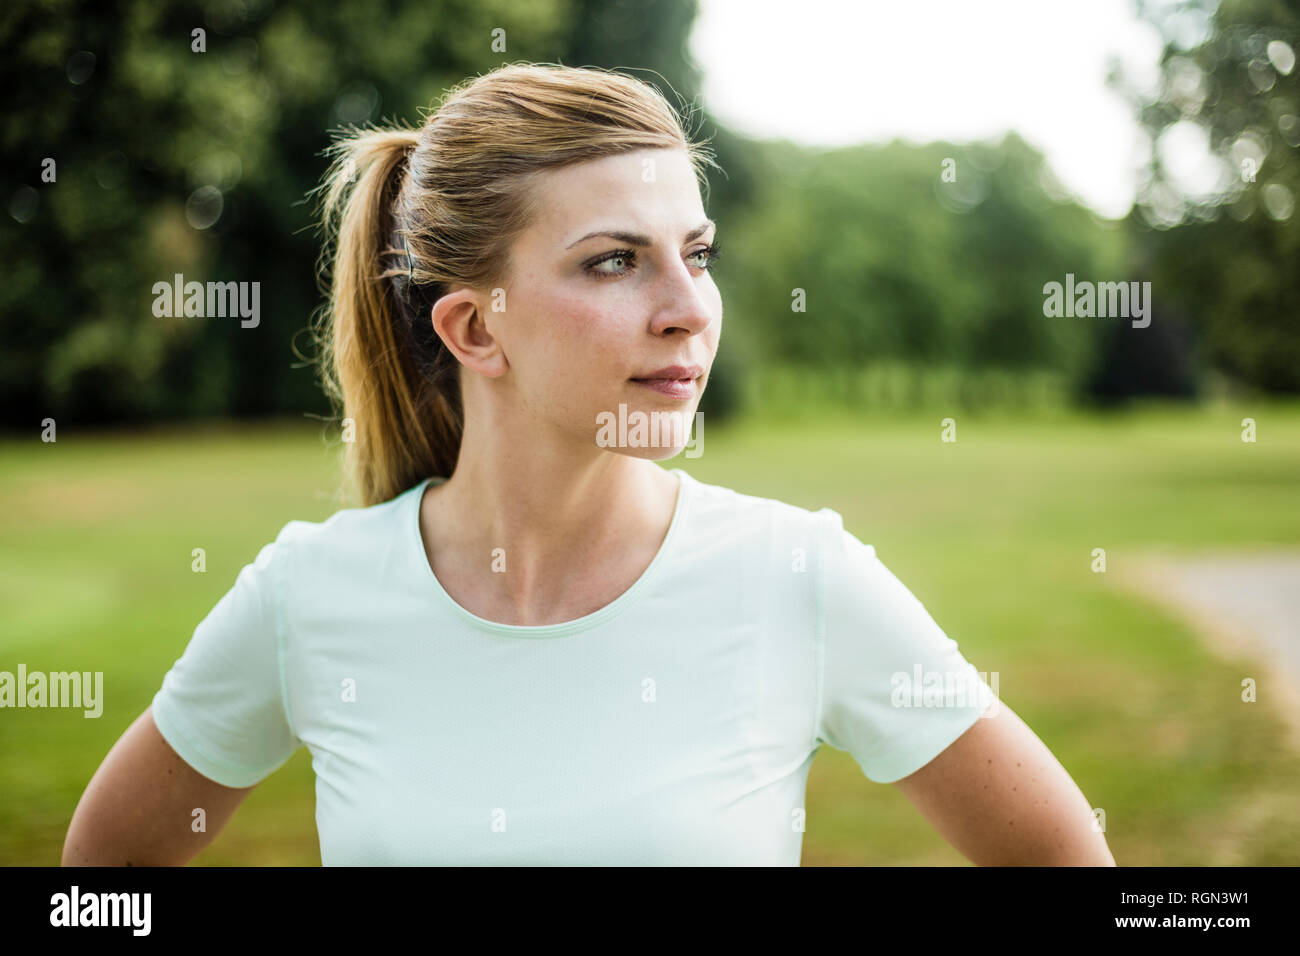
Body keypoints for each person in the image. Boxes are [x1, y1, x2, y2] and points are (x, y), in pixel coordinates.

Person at [62, 62, 1115, 866]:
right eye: (615, 260)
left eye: (694, 253)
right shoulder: (310, 594)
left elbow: (1060, 854)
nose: (688, 307)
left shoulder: (798, 575)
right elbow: (103, 871)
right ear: (476, 328)